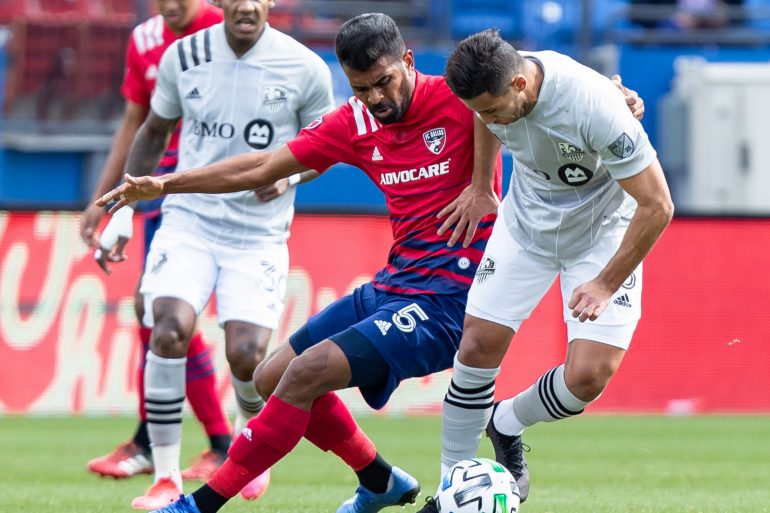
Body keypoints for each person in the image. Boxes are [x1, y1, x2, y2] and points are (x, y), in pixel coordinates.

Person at [95, 14, 646, 513]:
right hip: (394, 285)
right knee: (267, 377)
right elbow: (264, 165)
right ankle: (379, 479)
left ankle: (199, 507)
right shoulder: (354, 124)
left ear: (408, 61)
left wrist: (608, 98)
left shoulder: (460, 96)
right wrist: (167, 183)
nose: (377, 98)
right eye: (362, 88)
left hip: (448, 300)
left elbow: (529, 87)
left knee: (306, 372)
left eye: (385, 82)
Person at [417, 29, 674, 511]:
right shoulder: (494, 89)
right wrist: (480, 185)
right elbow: (483, 118)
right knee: (476, 345)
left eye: (493, 109)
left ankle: (507, 422)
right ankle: (450, 485)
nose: (488, 120)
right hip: (526, 227)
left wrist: (604, 282)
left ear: (519, 84)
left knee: (588, 379)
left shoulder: (596, 105)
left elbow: (658, 205)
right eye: (479, 111)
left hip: (602, 233)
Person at [94, 0, 335, 509]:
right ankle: (164, 478)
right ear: (220, 2)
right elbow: (154, 131)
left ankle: (246, 443)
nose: (246, 4)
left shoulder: (305, 67)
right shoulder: (183, 56)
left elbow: (328, 147)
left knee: (247, 357)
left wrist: (288, 174)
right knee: (167, 328)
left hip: (259, 235)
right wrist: (121, 212)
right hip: (189, 223)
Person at [81, 0, 232, 485]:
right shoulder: (145, 39)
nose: (169, 4)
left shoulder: (227, 27)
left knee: (166, 313)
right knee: (157, 313)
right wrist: (102, 200)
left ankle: (206, 443)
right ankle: (181, 442)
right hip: (159, 186)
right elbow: (135, 122)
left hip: (215, 189)